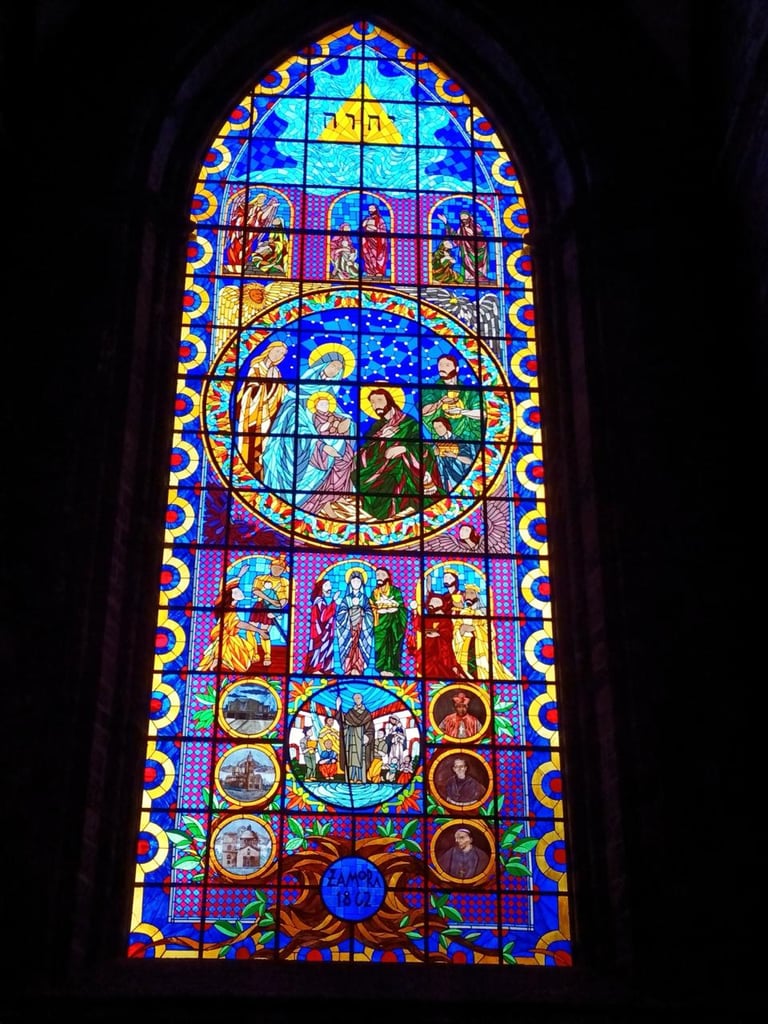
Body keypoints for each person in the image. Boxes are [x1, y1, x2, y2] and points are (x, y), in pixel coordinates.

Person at [355, 388, 444, 521]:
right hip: (380, 467)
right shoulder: (377, 427)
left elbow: (422, 447)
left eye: (379, 400)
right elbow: (364, 451)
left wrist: (403, 449)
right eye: (372, 402)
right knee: (359, 475)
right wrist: (382, 439)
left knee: (396, 472)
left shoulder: (408, 423)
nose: (375, 405)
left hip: (402, 467)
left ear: (389, 400)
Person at [235, 340, 289, 480]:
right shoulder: (257, 367)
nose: (279, 355)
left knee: (265, 446)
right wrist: (260, 388)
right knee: (252, 444)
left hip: (270, 415)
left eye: (282, 354)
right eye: (277, 351)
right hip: (253, 414)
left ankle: (261, 474)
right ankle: (248, 473)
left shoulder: (276, 372)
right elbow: (249, 390)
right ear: (269, 350)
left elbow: (280, 393)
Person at [198, 579, 263, 673]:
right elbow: (238, 624)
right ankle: (216, 663)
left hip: (229, 636)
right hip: (225, 637)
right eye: (236, 592)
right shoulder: (228, 610)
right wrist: (258, 630)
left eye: (239, 590)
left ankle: (218, 664)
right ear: (230, 596)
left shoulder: (231, 608)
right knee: (230, 654)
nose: (240, 592)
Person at [453, 583, 515, 681]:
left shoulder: (482, 613)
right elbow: (455, 629)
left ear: (477, 596)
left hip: (479, 647)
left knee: (480, 671)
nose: (468, 596)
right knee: (463, 670)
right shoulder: (463, 613)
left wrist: (474, 629)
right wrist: (460, 631)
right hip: (464, 646)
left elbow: (490, 632)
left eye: (471, 593)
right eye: (466, 593)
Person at [421, 353, 482, 442]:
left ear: (456, 369)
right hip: (441, 440)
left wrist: (461, 411)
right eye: (440, 365)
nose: (442, 368)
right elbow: (424, 411)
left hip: (467, 437)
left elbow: (482, 414)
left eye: (447, 365)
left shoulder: (470, 392)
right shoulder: (431, 390)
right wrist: (440, 402)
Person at [413, 591, 467, 678]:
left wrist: (438, 634)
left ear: (442, 605)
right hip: (428, 648)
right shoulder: (429, 618)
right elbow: (419, 625)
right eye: (431, 601)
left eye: (435, 602)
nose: (431, 604)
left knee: (444, 670)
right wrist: (415, 611)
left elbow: (448, 633)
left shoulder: (446, 619)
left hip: (442, 650)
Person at [248, 555, 290, 668]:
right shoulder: (260, 578)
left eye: (280, 569)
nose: (277, 570)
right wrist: (270, 600)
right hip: (259, 606)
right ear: (270, 567)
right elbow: (256, 591)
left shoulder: (285, 582)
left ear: (284, 570)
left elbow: (284, 599)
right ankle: (253, 654)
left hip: (272, 609)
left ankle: (267, 655)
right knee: (250, 630)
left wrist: (277, 611)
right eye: (275, 568)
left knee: (264, 631)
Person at [225, 191, 279, 271]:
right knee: (235, 247)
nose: (262, 201)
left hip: (250, 233)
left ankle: (241, 263)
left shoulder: (258, 210)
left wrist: (271, 207)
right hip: (239, 231)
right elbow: (238, 216)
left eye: (264, 200)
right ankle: (233, 263)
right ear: (257, 198)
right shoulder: (247, 206)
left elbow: (262, 218)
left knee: (246, 249)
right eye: (261, 199)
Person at [370, 567, 408, 677]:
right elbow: (371, 607)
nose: (379, 577)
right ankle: (380, 668)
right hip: (379, 624)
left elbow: (400, 606)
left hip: (394, 624)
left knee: (392, 646)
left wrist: (393, 609)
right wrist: (378, 610)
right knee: (379, 646)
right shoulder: (374, 593)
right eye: (377, 575)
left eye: (382, 575)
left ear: (388, 577)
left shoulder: (395, 591)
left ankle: (391, 668)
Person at [436, 209, 490, 283]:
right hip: (466, 252)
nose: (463, 219)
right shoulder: (461, 229)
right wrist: (446, 223)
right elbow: (455, 237)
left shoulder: (476, 227)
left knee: (477, 263)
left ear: (469, 217)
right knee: (466, 262)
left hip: (480, 250)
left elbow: (481, 239)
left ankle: (480, 277)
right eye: (462, 217)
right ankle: (469, 278)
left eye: (465, 216)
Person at [335, 571, 374, 675]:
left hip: (361, 630)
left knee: (359, 649)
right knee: (349, 648)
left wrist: (362, 612)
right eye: (354, 581)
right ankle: (349, 668)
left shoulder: (364, 598)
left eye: (358, 581)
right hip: (349, 630)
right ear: (350, 583)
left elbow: (370, 614)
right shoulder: (346, 599)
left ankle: (358, 668)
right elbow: (340, 615)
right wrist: (349, 612)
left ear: (362, 583)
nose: (356, 583)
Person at [335, 691, 375, 784]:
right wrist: (338, 707)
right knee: (350, 759)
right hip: (351, 738)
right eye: (355, 698)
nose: (357, 700)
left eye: (358, 698)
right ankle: (351, 778)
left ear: (362, 699)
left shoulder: (367, 714)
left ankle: (360, 779)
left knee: (361, 759)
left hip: (361, 739)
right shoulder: (350, 712)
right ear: (353, 700)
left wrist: (368, 737)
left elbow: (371, 728)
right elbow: (343, 723)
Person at [304, 577, 340, 674]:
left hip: (325, 632)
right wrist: (333, 601)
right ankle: (316, 668)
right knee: (319, 649)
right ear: (321, 587)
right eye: (327, 585)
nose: (330, 588)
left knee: (327, 648)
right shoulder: (319, 601)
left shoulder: (321, 601)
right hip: (319, 633)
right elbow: (324, 617)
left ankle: (326, 669)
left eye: (330, 585)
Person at [431, 416, 476, 490]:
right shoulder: (437, 444)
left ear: (446, 425)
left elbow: (470, 461)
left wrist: (454, 456)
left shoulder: (458, 441)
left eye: (440, 426)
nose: (438, 430)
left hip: (461, 477)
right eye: (435, 428)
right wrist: (434, 455)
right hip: (446, 479)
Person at [360, 203, 388, 278]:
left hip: (378, 241)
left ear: (376, 209)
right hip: (367, 240)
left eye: (372, 208)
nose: (370, 210)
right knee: (368, 255)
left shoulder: (380, 220)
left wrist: (375, 229)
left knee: (378, 256)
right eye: (369, 209)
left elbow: (383, 231)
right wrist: (365, 225)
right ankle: (370, 271)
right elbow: (361, 228)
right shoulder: (367, 219)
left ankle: (378, 271)